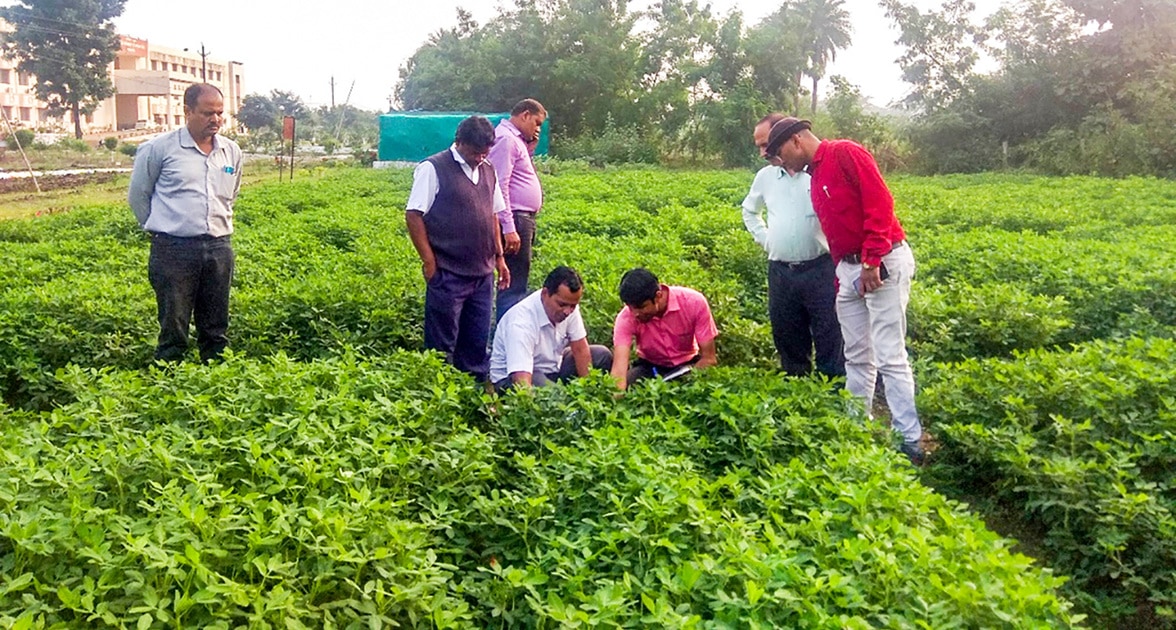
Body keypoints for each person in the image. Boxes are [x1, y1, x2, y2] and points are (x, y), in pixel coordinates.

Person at [767, 117, 925, 464]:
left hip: (881, 263)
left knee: (889, 353)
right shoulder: (814, 176)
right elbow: (835, 232)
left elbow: (880, 205)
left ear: (796, 141)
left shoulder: (845, 153)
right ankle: (855, 425)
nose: (781, 163)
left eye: (780, 154)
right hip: (849, 269)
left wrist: (870, 262)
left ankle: (909, 438)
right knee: (855, 354)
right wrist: (845, 274)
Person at [128, 83, 242, 363]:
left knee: (216, 323)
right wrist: (164, 229)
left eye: (219, 113)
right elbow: (138, 197)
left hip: (218, 246)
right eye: (207, 113)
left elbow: (231, 194)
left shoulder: (231, 151)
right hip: (173, 249)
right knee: (173, 323)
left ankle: (216, 373)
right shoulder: (158, 149)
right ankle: (170, 379)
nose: (215, 119)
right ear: (187, 111)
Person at [405, 116, 510, 382]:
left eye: (485, 153)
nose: (480, 158)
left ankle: (474, 393)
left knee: (476, 340)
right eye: (476, 152)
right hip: (448, 272)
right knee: (442, 343)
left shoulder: (488, 170)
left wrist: (499, 257)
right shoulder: (433, 168)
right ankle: (439, 393)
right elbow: (414, 215)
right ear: (459, 142)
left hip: (482, 273)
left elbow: (493, 215)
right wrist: (429, 262)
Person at [742, 112, 845, 378]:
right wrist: (767, 241)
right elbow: (749, 211)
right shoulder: (765, 177)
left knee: (829, 333)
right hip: (781, 271)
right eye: (761, 147)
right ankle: (797, 395)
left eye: (768, 144)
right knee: (787, 335)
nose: (765, 152)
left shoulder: (816, 172)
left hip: (821, 268)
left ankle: (832, 395)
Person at [488, 266, 612, 390]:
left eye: (573, 306)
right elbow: (521, 380)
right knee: (554, 394)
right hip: (517, 377)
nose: (568, 311)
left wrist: (588, 390)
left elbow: (580, 348)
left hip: (552, 368)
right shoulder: (521, 323)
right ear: (545, 294)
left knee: (601, 355)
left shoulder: (568, 305)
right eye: (562, 305)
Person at [488, 98, 547, 321]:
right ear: (524, 115)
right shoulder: (506, 140)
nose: (538, 128)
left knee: (517, 281)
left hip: (523, 218)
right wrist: (508, 227)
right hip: (516, 218)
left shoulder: (516, 140)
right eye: (537, 122)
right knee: (512, 284)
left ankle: (509, 333)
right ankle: (506, 337)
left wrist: (530, 148)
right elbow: (499, 184)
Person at [610, 268, 718, 390]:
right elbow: (619, 369)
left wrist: (685, 381)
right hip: (649, 366)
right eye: (630, 307)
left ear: (658, 296)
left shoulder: (693, 303)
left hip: (688, 364)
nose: (635, 313)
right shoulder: (626, 318)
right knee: (632, 386)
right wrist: (616, 401)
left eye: (641, 307)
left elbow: (709, 359)